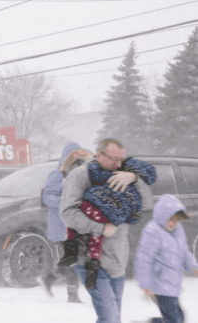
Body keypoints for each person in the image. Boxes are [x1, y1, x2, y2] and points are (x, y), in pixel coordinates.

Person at [60, 138, 154, 323]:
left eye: (121, 159)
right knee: (110, 317)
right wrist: (100, 228)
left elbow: (147, 204)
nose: (118, 164)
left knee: (113, 316)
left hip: (117, 257)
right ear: (99, 155)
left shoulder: (124, 174)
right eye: (113, 159)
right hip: (88, 257)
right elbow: (67, 212)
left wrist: (134, 178)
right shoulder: (80, 175)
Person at [57, 156, 156, 290]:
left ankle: (73, 261)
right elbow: (69, 210)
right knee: (92, 243)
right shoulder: (88, 174)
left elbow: (146, 204)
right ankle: (77, 271)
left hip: (110, 231)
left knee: (87, 244)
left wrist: (134, 178)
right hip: (103, 223)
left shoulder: (118, 173)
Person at [38, 142, 91, 303]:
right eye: (74, 160)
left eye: (79, 160)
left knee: (73, 259)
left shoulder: (80, 176)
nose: (77, 163)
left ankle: (49, 278)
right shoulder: (57, 175)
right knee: (72, 259)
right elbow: (48, 197)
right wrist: (66, 202)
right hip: (61, 226)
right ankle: (72, 295)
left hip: (76, 224)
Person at [135, 194, 198, 323]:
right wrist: (146, 284)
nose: (173, 223)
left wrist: (192, 266)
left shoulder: (177, 230)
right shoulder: (152, 232)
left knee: (179, 317)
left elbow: (184, 251)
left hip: (173, 284)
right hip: (158, 284)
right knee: (174, 319)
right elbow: (144, 260)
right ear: (162, 216)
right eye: (171, 219)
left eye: (177, 220)